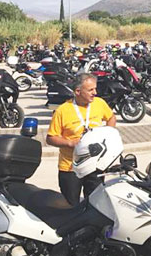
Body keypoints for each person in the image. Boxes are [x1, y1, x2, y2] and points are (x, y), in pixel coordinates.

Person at [47, 73, 117, 205]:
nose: (95, 93)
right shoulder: (62, 111)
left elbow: (111, 117)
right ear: (78, 92)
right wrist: (70, 143)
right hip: (70, 168)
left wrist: (108, 134)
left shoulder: (99, 103)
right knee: (70, 206)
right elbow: (51, 138)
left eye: (95, 89)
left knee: (95, 204)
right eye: (90, 90)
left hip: (94, 165)